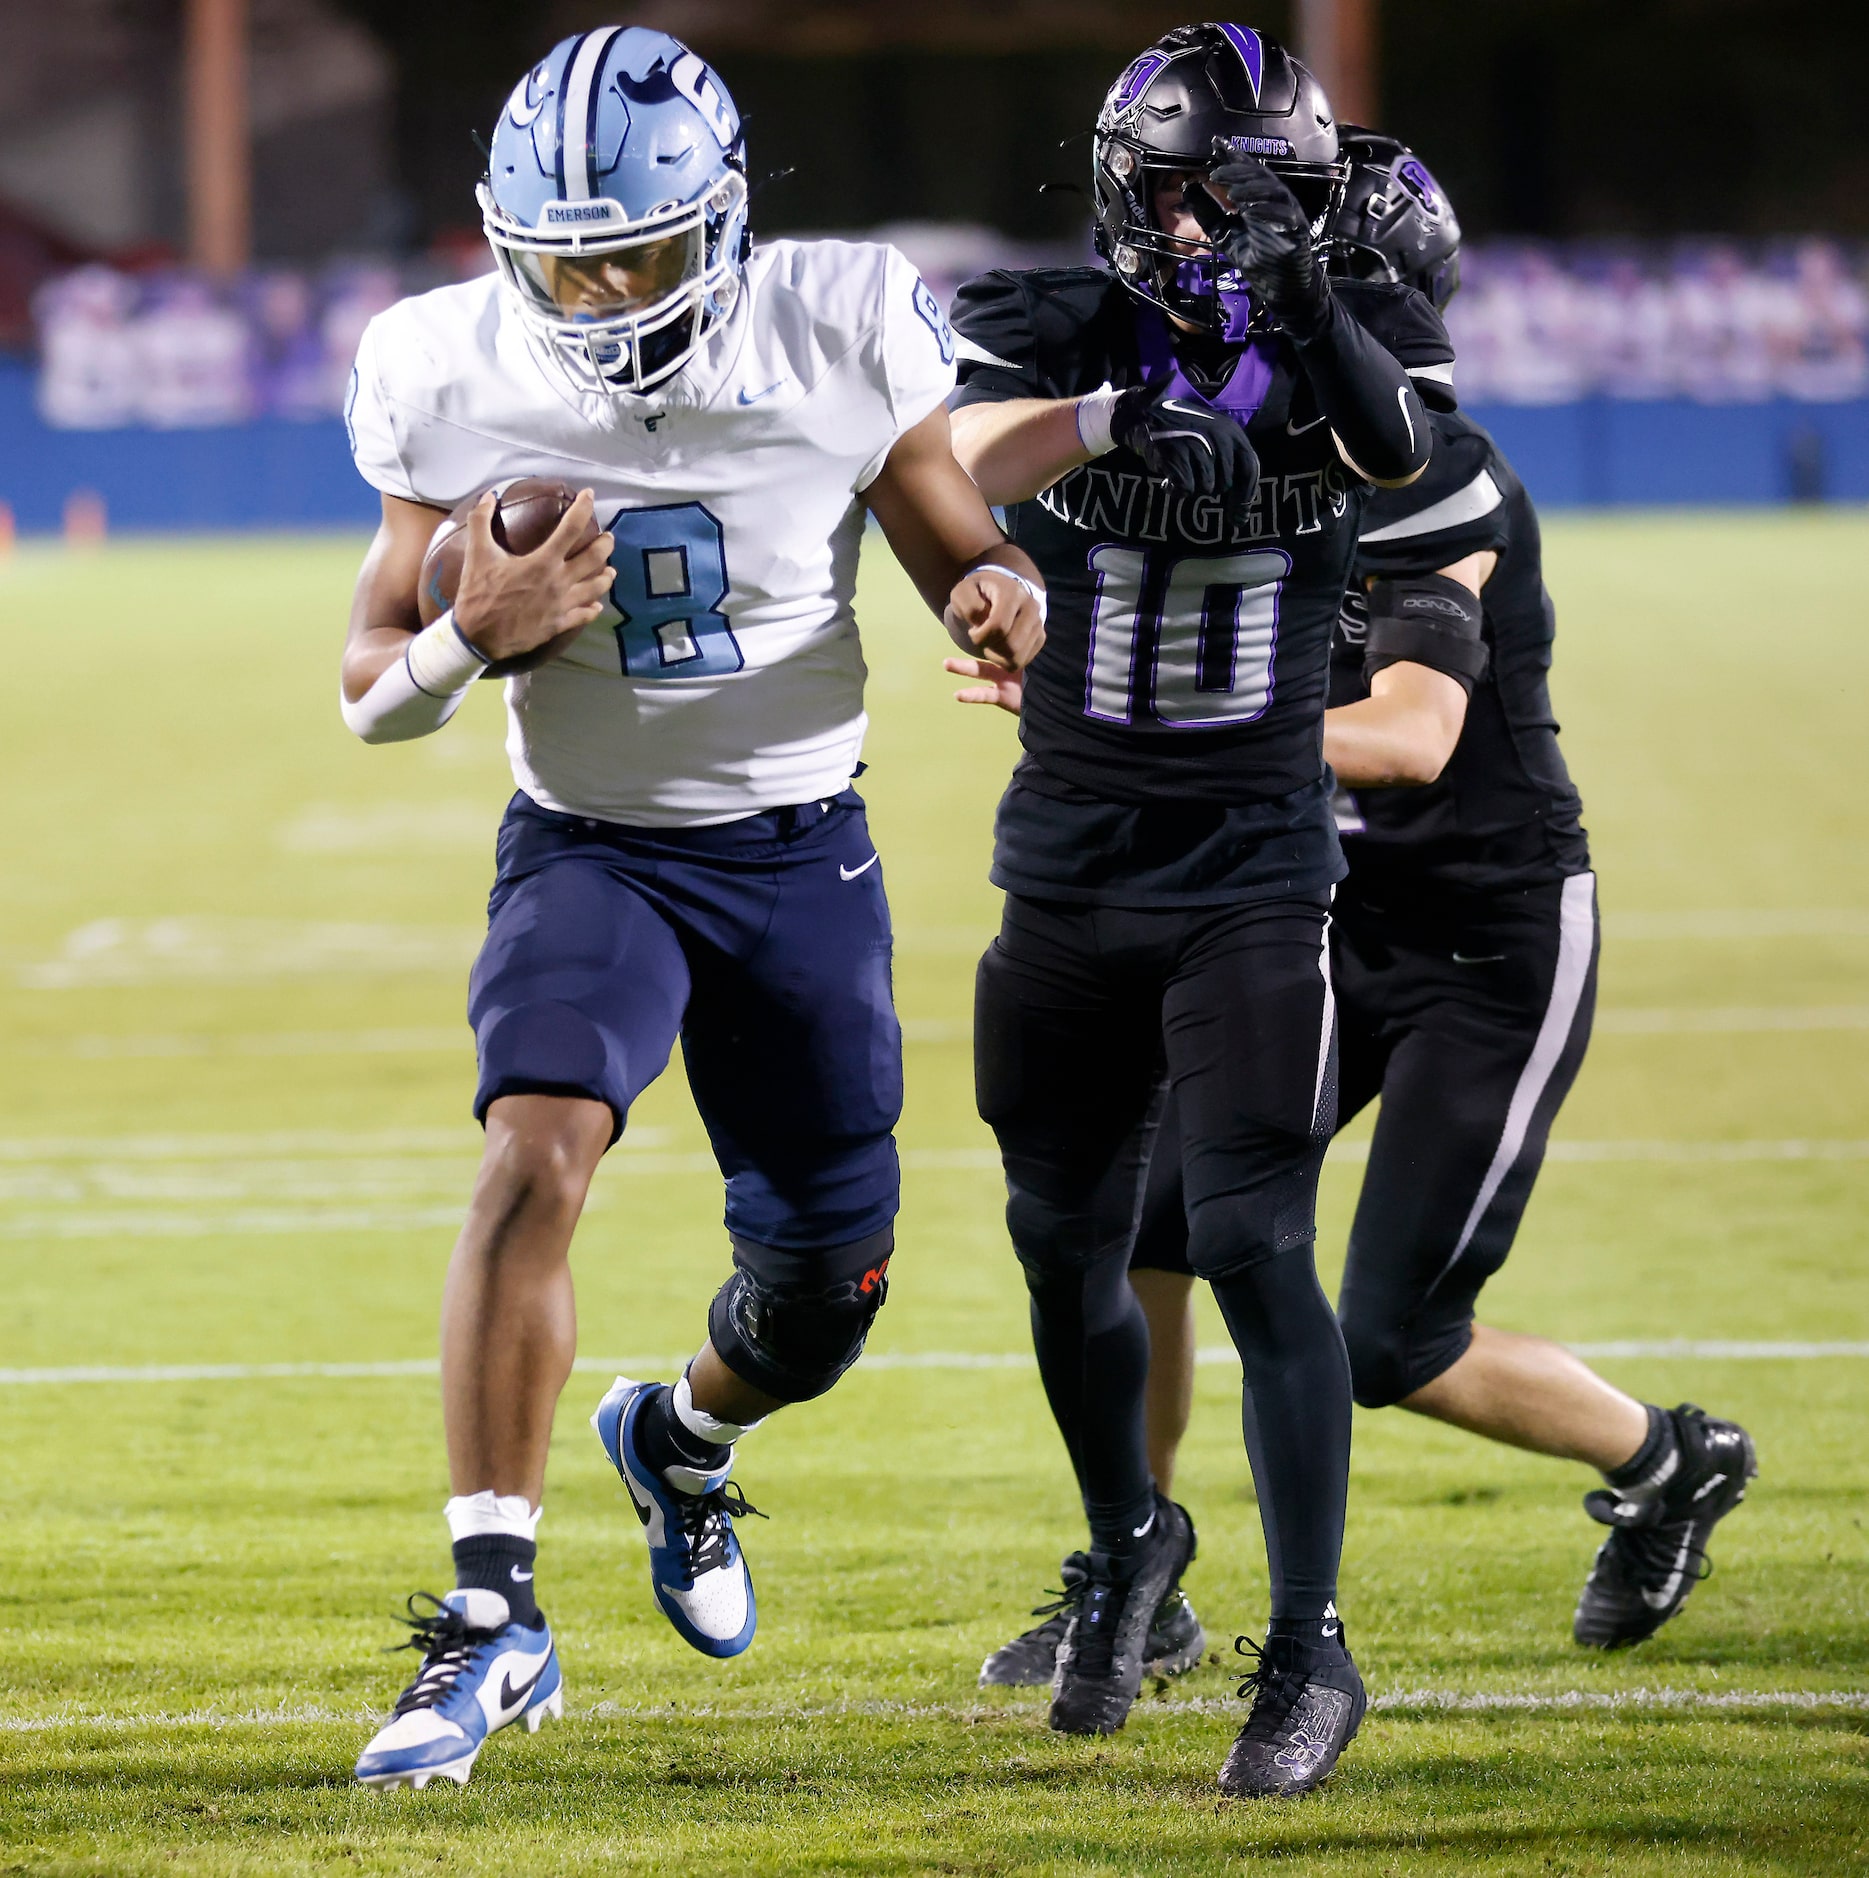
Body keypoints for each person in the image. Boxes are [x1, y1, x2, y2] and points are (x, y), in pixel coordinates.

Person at [337, 26, 1045, 1791]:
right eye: (562, 253)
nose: (594, 289)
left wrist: (1001, 592)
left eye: (634, 251)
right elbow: (366, 685)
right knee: (534, 1149)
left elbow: (952, 527)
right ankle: (494, 1614)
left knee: (822, 1290)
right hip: (589, 844)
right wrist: (462, 637)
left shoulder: (835, 316)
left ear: (720, 222)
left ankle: (678, 1437)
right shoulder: (441, 362)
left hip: (799, 853)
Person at [969, 129, 1758, 1682]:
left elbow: (1406, 739)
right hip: (1315, 901)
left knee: (1392, 1335)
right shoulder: (1237, 445)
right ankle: (1143, 1562)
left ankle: (1670, 1460)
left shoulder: (1432, 487)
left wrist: (1153, 725)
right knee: (1155, 1228)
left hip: (1486, 930)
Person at [944, 24, 1449, 1797]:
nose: (1204, 229)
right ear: (1117, 189)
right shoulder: (1055, 323)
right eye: (1180, 190)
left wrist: (1299, 292)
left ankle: (1310, 1644)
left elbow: (1396, 444)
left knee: (1247, 1241)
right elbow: (944, 475)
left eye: (1247, 194)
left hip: (1250, 854)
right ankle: (1124, 1545)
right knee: (1055, 1234)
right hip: (1069, 847)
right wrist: (1103, 414)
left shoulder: (1351, 341)